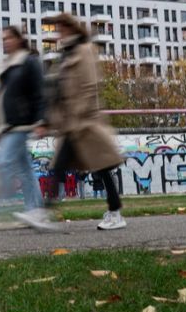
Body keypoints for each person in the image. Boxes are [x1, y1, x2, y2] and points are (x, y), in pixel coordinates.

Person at [20, 12, 126, 231]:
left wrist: (78, 115)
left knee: (101, 167)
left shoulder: (84, 50)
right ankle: (46, 212)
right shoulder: (67, 54)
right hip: (71, 124)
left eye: (61, 28)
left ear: (71, 28)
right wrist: (49, 121)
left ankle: (113, 212)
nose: (59, 33)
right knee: (67, 167)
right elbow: (58, 91)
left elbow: (89, 86)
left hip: (84, 123)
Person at [0, 26, 49, 229]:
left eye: (9, 38)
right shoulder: (8, 66)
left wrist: (41, 121)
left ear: (20, 39)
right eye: (3, 38)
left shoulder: (28, 62)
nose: (5, 42)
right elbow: (2, 98)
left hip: (22, 124)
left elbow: (40, 93)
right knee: (26, 170)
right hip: (9, 126)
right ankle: (36, 211)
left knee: (3, 164)